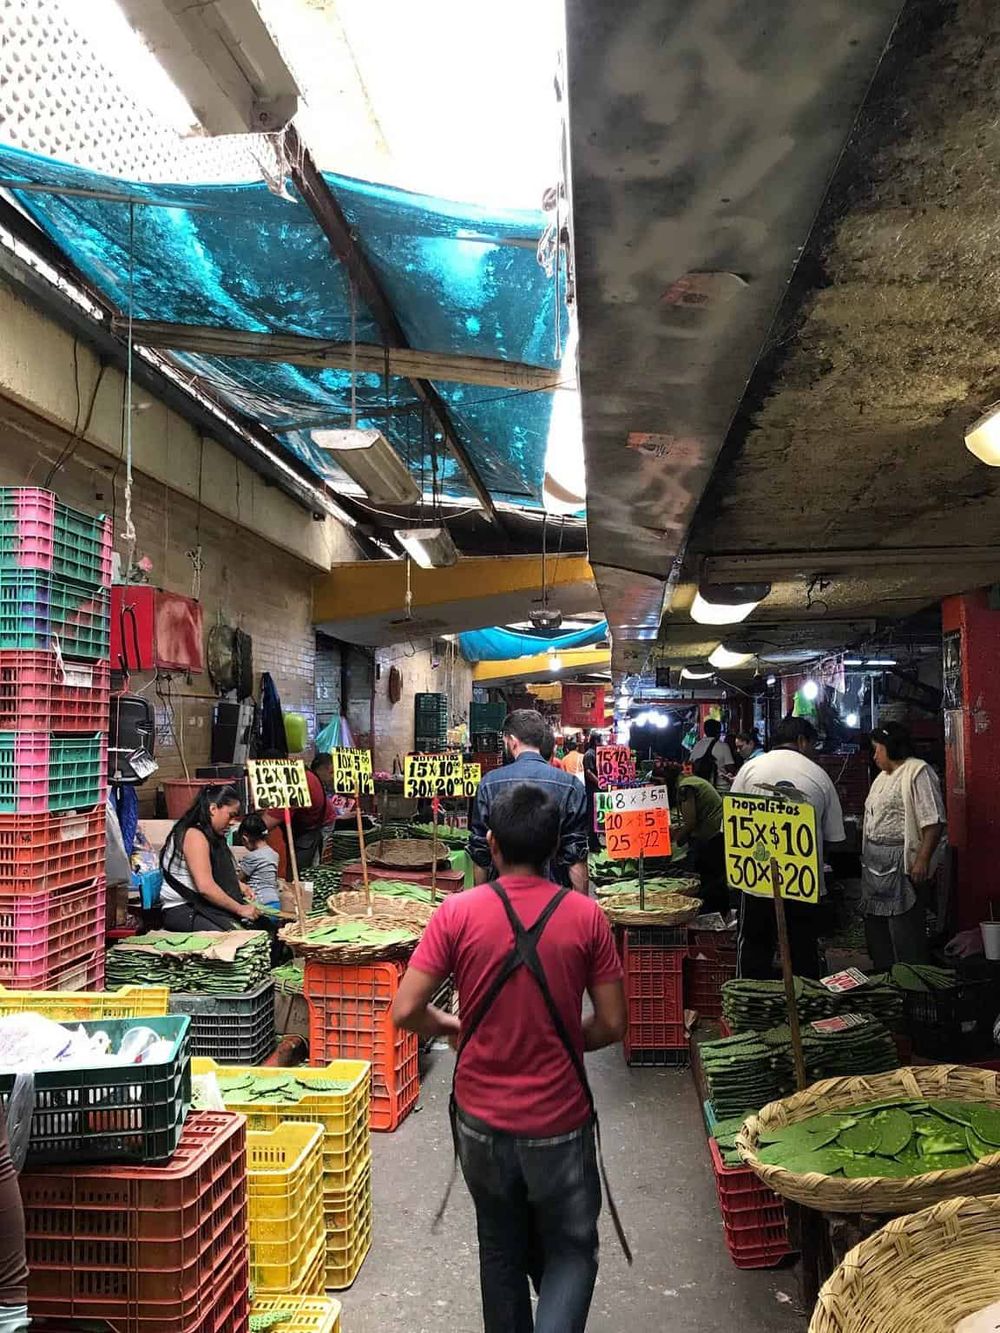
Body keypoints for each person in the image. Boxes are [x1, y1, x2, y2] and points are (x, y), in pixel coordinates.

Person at [392, 782, 627, 1333]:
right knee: (570, 1250)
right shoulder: (586, 918)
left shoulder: (456, 913)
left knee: (499, 1251)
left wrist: (453, 1026)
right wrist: (565, 1037)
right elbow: (614, 1024)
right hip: (560, 1126)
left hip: (480, 1126)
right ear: (554, 848)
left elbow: (405, 1010)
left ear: (491, 844)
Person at [730, 717, 846, 979]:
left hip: (756, 876)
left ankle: (749, 1003)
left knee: (753, 946)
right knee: (802, 949)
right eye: (813, 744)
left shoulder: (751, 769)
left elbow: (731, 826)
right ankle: (804, 1007)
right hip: (802, 881)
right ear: (803, 741)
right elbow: (834, 837)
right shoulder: (819, 775)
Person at [469, 711, 590, 893]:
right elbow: (576, 856)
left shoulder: (489, 782)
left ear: (512, 741)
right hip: (554, 897)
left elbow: (480, 852)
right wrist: (580, 906)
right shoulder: (571, 785)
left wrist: (482, 900)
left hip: (501, 897)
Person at [860, 723, 946, 969]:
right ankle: (885, 980)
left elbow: (933, 820)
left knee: (904, 930)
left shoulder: (918, 771)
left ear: (892, 747)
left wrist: (922, 859)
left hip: (902, 861)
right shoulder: (881, 778)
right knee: (877, 929)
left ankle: (912, 984)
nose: (875, 755)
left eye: (878, 749)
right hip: (875, 865)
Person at [159, 784, 261, 931]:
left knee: (264, 929)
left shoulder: (212, 833)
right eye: (231, 815)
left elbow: (214, 872)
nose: (233, 822)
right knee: (238, 938)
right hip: (184, 909)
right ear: (213, 809)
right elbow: (206, 888)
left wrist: (239, 886)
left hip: (204, 906)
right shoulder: (194, 836)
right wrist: (240, 909)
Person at [665, 766, 727, 913]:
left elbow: (690, 821)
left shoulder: (685, 788)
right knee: (716, 877)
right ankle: (718, 911)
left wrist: (677, 840)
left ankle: (711, 913)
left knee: (710, 878)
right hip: (717, 830)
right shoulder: (691, 780)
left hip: (712, 833)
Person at [237, 812, 281, 909]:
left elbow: (238, 880)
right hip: (275, 902)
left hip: (260, 903)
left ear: (245, 839)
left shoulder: (252, 857)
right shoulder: (274, 854)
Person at [687, 718, 736, 790]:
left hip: (702, 788)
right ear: (718, 731)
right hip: (720, 788)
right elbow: (730, 768)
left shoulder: (697, 745)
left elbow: (690, 763)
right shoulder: (723, 746)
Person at [582, 732, 601, 852]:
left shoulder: (597, 753)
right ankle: (593, 844)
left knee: (598, 816)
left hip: (597, 789)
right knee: (592, 816)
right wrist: (599, 782)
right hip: (592, 789)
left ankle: (596, 841)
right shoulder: (589, 754)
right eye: (600, 740)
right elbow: (588, 772)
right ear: (595, 741)